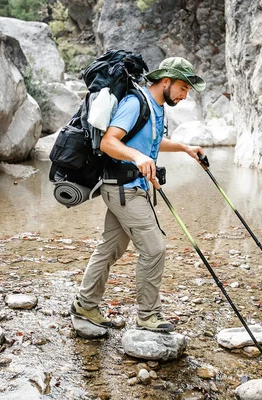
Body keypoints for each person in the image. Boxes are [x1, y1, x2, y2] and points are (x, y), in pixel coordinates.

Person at [70, 57, 206, 332]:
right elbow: (109, 142)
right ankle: (148, 315)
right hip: (124, 191)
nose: (184, 94)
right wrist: (137, 156)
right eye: (182, 87)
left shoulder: (156, 107)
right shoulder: (135, 103)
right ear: (165, 81)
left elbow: (150, 142)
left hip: (129, 189)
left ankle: (85, 305)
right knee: (154, 249)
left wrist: (185, 148)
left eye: (188, 90)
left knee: (110, 248)